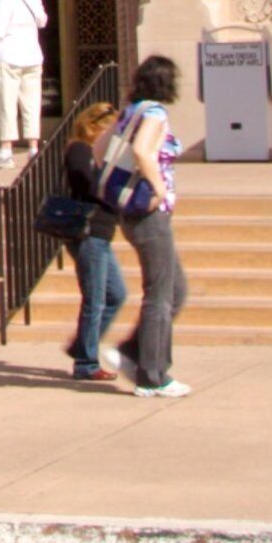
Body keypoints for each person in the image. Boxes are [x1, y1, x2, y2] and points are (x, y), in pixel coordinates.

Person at [110, 55, 189, 398]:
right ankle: (153, 375)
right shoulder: (154, 114)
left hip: (130, 211)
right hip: (149, 212)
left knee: (175, 290)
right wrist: (157, 187)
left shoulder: (130, 112)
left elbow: (101, 149)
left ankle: (133, 351)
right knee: (160, 294)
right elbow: (143, 151)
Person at [56, 97, 128, 382]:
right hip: (88, 233)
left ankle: (81, 346)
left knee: (116, 294)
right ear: (95, 127)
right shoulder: (80, 150)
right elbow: (85, 183)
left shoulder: (98, 153)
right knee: (95, 298)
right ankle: (86, 362)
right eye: (110, 131)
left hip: (100, 233)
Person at [0, 0, 48, 166]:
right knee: (32, 103)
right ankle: (32, 148)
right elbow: (42, 21)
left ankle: (6, 151)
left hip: (10, 57)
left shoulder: (5, 0)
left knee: (7, 104)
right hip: (32, 56)